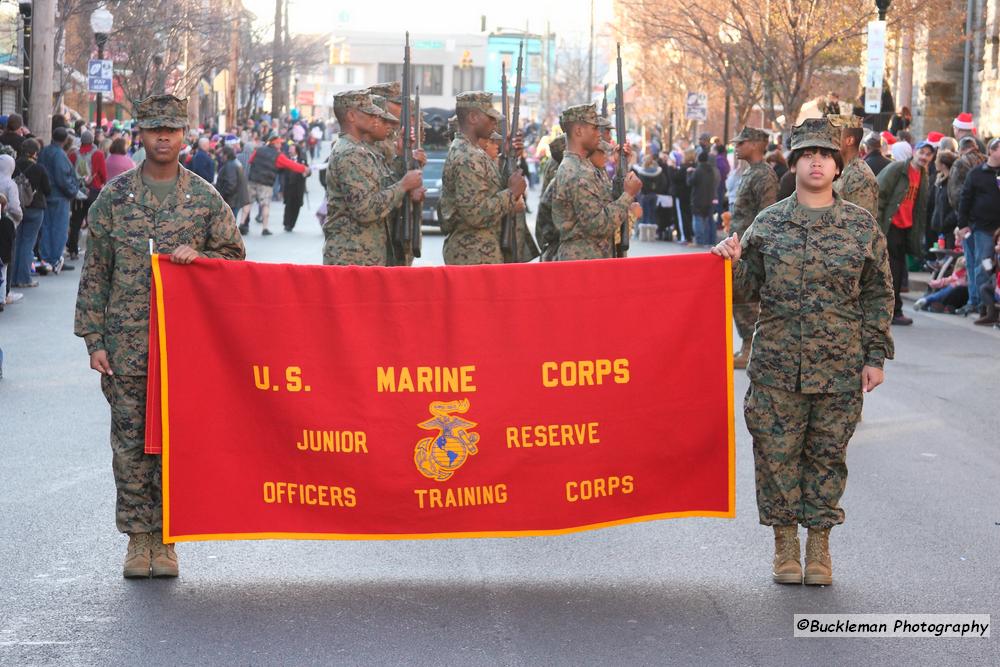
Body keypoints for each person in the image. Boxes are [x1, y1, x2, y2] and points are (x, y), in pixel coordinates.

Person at [711, 117, 894, 587]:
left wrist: (874, 356)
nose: (817, 162)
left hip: (838, 369)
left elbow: (878, 293)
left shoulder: (859, 226)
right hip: (775, 369)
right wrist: (727, 261)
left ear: (837, 167)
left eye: (826, 155)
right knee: (775, 455)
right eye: (808, 155)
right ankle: (785, 544)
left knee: (827, 455)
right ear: (793, 166)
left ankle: (819, 546)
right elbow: (742, 290)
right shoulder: (768, 225)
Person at [74, 94, 245, 579]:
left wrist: (203, 257)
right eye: (154, 129)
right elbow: (96, 272)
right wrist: (94, 340)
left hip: (185, 350)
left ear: (185, 135)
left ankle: (169, 540)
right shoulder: (115, 198)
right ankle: (138, 539)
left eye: (172, 129)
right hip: (127, 347)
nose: (163, 137)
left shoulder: (205, 198)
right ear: (140, 134)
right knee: (130, 446)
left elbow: (235, 261)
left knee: (177, 444)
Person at [323, 90, 422, 266]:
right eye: (369, 113)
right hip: (352, 258)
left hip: (363, 256)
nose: (375, 117)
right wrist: (404, 185)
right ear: (352, 116)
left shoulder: (361, 150)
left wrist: (400, 160)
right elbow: (365, 210)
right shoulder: (351, 153)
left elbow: (381, 188)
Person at [440, 91, 525, 265]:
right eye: (490, 117)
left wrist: (508, 157)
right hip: (472, 254)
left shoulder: (473, 151)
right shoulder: (467, 156)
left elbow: (490, 190)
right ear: (473, 117)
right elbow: (475, 214)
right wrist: (511, 193)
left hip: (479, 251)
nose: (494, 123)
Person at [552, 104, 640, 261]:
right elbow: (598, 224)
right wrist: (628, 195)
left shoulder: (585, 166)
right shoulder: (576, 172)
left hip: (592, 258)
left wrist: (621, 171)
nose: (599, 134)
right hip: (583, 263)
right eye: (594, 128)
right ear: (578, 131)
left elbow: (605, 202)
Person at [729, 126, 779, 369]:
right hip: (740, 245)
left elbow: (766, 214)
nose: (737, 147)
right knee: (737, 297)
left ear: (756, 145)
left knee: (746, 298)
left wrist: (754, 248)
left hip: (750, 249)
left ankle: (751, 347)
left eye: (742, 142)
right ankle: (747, 345)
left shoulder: (764, 175)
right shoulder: (751, 172)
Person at [876, 141, 932, 326]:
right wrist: (879, 226)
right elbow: (879, 194)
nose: (924, 157)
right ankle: (893, 310)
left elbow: (919, 207)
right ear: (914, 152)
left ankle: (891, 310)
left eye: (928, 154)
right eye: (922, 152)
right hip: (891, 226)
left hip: (906, 228)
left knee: (898, 271)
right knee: (892, 270)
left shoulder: (923, 175)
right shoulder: (898, 169)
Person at [957, 137, 1000, 320]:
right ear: (991, 151)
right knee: (982, 265)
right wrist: (962, 224)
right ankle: (980, 304)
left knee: (988, 266)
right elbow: (965, 199)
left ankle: (982, 302)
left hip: (997, 228)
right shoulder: (977, 173)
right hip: (982, 227)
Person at [244, 131, 309, 236]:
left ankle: (243, 223)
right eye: (279, 143)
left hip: (253, 180)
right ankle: (265, 228)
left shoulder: (259, 150)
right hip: (267, 183)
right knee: (265, 205)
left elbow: (251, 161)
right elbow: (290, 166)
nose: (281, 145)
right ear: (274, 144)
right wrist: (304, 169)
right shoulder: (279, 155)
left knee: (248, 203)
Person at [66, 131, 108, 270]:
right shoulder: (98, 154)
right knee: (93, 221)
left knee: (76, 221)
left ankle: (72, 250)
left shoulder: (73, 155)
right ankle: (92, 251)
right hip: (93, 190)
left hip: (78, 191)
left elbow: (69, 172)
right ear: (92, 141)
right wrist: (101, 182)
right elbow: (103, 173)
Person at [11, 139, 50, 289]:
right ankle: (24, 278)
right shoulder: (39, 168)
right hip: (35, 208)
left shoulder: (13, 165)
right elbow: (47, 190)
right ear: (35, 152)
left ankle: (12, 278)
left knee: (16, 242)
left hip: (17, 208)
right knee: (28, 244)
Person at [37, 127, 78, 267]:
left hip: (47, 194)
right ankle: (54, 258)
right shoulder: (59, 154)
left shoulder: (45, 152)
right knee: (59, 229)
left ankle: (46, 257)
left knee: (47, 226)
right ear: (65, 139)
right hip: (59, 195)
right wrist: (73, 190)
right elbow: (62, 178)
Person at [830, 115, 878, 218]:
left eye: (834, 134)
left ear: (849, 141)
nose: (828, 139)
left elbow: (863, 224)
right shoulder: (838, 168)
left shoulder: (860, 176)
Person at [688, 149, 720, 246]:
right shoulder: (712, 171)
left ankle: (699, 241)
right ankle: (706, 240)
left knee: (698, 220)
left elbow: (690, 182)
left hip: (698, 198)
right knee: (706, 220)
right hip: (709, 199)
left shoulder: (698, 170)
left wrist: (689, 173)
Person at [947, 135, 985, 212]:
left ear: (961, 149)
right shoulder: (988, 160)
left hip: (968, 212)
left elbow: (954, 194)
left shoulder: (960, 163)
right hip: (987, 211)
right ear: (976, 147)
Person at [215, 145, 250, 221]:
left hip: (231, 201)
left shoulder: (230, 165)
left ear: (226, 155)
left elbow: (231, 185)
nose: (220, 156)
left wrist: (221, 196)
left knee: (229, 224)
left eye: (222, 153)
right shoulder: (234, 163)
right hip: (234, 200)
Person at [281, 143, 309, 232]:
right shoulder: (286, 160)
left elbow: (308, 171)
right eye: (289, 148)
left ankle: (292, 224)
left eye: (291, 149)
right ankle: (286, 223)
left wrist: (306, 173)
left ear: (296, 150)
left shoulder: (302, 160)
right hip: (288, 187)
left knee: (296, 206)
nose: (289, 150)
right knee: (288, 205)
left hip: (298, 187)